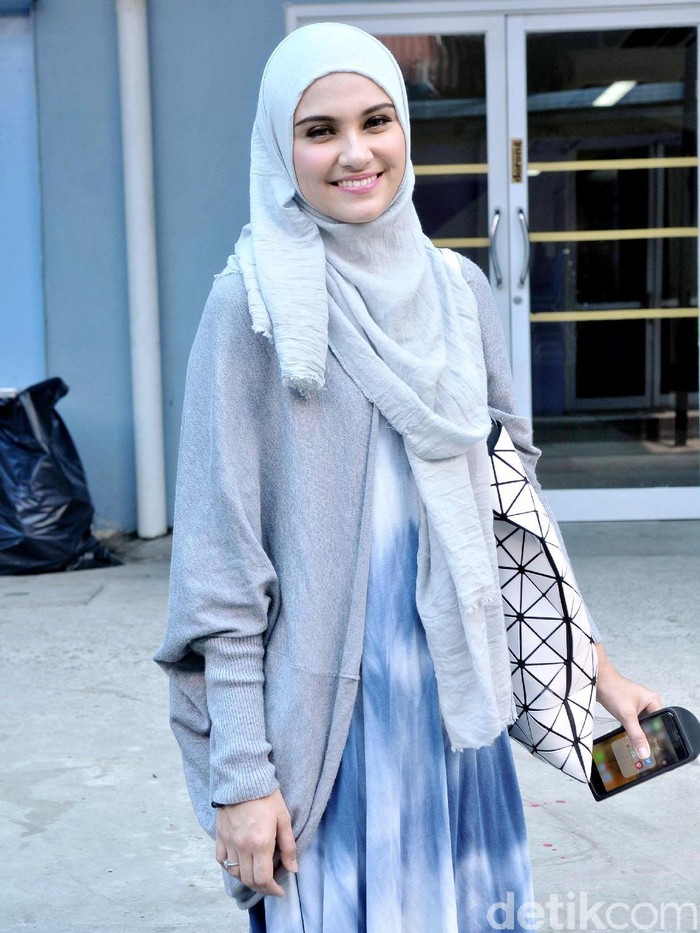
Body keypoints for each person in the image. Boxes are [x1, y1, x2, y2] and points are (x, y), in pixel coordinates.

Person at [155, 22, 661, 932]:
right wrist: (240, 778)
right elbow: (219, 574)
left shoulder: (458, 293)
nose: (356, 153)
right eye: (320, 130)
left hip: (457, 716)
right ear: (280, 147)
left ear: (405, 131)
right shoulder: (251, 307)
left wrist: (594, 672)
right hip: (331, 729)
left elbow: (509, 516)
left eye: (376, 120)